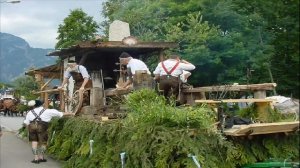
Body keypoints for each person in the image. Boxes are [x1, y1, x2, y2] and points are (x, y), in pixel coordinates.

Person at [23, 100, 74, 164]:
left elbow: (26, 123)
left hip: (32, 127)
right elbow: (60, 114)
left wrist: (29, 130)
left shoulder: (30, 112)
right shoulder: (47, 111)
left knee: (34, 142)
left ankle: (36, 158)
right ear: (42, 105)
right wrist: (71, 113)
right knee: (43, 142)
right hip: (42, 127)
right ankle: (41, 157)